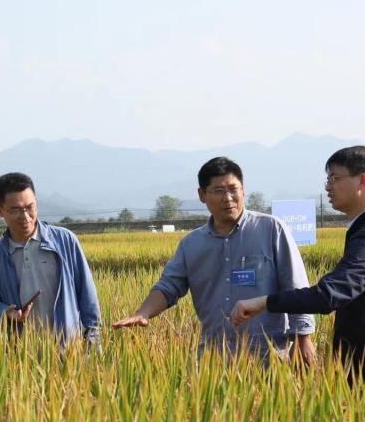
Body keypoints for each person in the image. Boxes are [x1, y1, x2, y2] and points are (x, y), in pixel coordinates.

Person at [231, 146, 365, 379]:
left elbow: (329, 295)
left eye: (335, 178)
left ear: (363, 180)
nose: (328, 187)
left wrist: (263, 302)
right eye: (328, 179)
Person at [113, 157, 316, 367]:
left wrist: (303, 338)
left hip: (268, 358)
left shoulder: (271, 229)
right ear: (202, 195)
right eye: (219, 191)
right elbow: (168, 286)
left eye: (233, 189)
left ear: (243, 190)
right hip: (214, 361)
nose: (228, 198)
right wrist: (143, 313)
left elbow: (296, 287)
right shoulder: (191, 244)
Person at [0, 172, 101, 345]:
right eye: (15, 210)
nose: (25, 216)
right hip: (21, 354)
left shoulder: (65, 241)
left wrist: (93, 346)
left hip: (68, 351)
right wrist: (5, 312)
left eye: (30, 207)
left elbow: (88, 297)